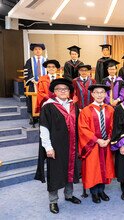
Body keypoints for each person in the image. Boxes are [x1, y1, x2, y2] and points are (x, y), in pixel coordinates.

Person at [35, 78, 81, 214]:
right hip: (55, 146)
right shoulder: (48, 106)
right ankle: (53, 201)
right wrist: (48, 147)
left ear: (69, 92)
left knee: (70, 169)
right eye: (59, 89)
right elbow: (44, 128)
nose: (62, 91)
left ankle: (69, 195)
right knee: (54, 172)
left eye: (65, 89)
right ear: (54, 92)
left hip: (71, 144)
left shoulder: (74, 106)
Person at [78, 84, 115, 204]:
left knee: (104, 167)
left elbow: (113, 126)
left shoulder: (110, 109)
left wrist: (109, 139)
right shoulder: (85, 110)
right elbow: (83, 129)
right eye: (97, 92)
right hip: (92, 145)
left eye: (102, 92)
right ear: (92, 94)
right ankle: (94, 192)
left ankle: (101, 191)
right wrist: (97, 140)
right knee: (93, 168)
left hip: (106, 143)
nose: (99, 95)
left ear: (105, 94)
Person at [24, 43, 47, 124]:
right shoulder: (29, 61)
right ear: (33, 51)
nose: (38, 51)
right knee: (31, 99)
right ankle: (33, 117)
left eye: (39, 49)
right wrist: (34, 81)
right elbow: (27, 72)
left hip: (45, 84)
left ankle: (44, 116)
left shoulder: (46, 61)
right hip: (33, 83)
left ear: (42, 50)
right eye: (36, 49)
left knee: (44, 99)